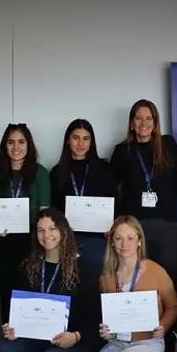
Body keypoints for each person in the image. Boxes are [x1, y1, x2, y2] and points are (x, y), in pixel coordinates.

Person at [0, 208, 104, 352]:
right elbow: (20, 306)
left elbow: (95, 312)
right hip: (37, 335)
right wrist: (13, 326)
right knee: (2, 350)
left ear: (63, 231)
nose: (47, 235)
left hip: (70, 339)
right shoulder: (29, 266)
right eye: (41, 230)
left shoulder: (84, 267)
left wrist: (76, 336)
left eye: (52, 229)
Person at [81, 216, 177, 352]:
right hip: (116, 343)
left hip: (147, 344)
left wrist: (163, 326)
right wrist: (106, 331)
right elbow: (107, 316)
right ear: (112, 242)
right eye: (118, 239)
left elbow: (173, 306)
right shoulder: (106, 278)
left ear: (139, 240)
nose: (124, 244)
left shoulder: (156, 271)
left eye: (130, 238)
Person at [110, 99, 177, 283]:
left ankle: (168, 312)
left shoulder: (168, 145)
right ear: (131, 123)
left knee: (168, 278)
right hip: (134, 228)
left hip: (166, 225)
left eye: (149, 118)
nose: (143, 123)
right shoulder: (122, 151)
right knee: (137, 279)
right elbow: (110, 188)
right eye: (138, 118)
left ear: (155, 123)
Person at [0, 123, 51, 321]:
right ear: (4, 146)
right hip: (3, 245)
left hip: (31, 245)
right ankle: (9, 342)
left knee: (30, 296)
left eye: (21, 142)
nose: (16, 147)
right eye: (11, 142)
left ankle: (29, 343)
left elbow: (44, 214)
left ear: (29, 145)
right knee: (6, 295)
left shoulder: (40, 174)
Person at [50, 119, 117, 278]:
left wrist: (112, 227)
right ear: (68, 140)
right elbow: (53, 210)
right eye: (76, 138)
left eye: (86, 138)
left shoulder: (105, 170)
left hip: (98, 242)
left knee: (94, 288)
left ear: (91, 142)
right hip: (67, 242)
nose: (80, 143)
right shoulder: (57, 172)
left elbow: (115, 203)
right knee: (68, 286)